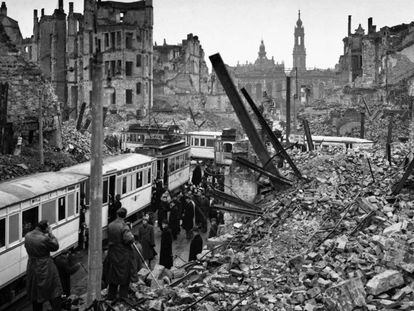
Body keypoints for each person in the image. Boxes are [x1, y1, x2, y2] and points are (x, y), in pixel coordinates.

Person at [24, 220, 63, 311]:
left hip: (32, 266)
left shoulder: (27, 236)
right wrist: (50, 234)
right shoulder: (44, 238)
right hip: (45, 266)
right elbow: (55, 246)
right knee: (54, 289)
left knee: (36, 293)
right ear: (45, 228)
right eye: (48, 227)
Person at [105, 208, 137, 300]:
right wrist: (131, 234)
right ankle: (123, 300)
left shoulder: (110, 225)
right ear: (125, 215)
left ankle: (110, 299)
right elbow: (129, 240)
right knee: (124, 281)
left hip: (112, 255)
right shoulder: (124, 226)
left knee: (113, 280)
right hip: (122, 256)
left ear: (117, 214)